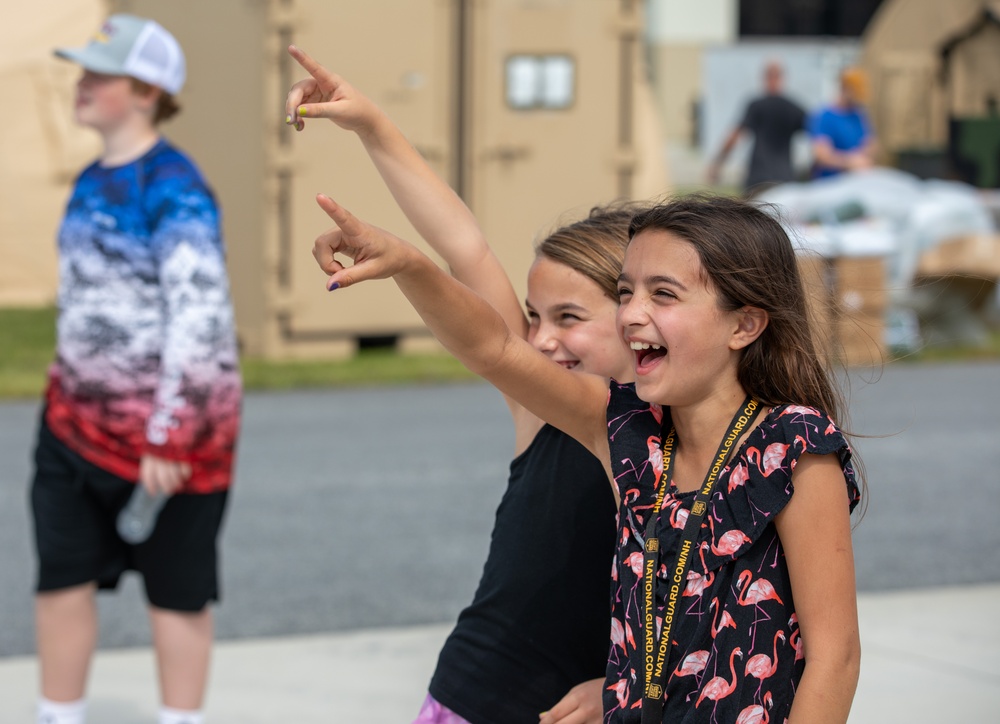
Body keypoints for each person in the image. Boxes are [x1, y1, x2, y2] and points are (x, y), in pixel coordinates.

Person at [303, 188, 863, 722]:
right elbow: (493, 347)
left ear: (745, 323)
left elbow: (834, 659)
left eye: (662, 294)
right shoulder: (625, 431)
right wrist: (409, 265)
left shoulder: (793, 446)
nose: (632, 314)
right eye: (625, 292)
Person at [285, 46, 637, 723]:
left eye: (570, 318)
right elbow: (466, 245)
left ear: (641, 317)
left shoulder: (680, 436)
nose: (541, 339)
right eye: (535, 318)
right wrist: (372, 126)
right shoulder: (544, 410)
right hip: (473, 699)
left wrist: (623, 688)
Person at [30, 14, 242, 724]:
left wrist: (171, 432)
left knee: (176, 594)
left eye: (99, 75)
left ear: (147, 91)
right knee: (60, 579)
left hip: (168, 444)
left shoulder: (176, 190)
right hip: (71, 428)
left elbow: (201, 320)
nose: (81, 85)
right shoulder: (91, 181)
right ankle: (59, 714)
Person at [707, 61, 807, 195]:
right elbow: (817, 135)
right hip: (784, 180)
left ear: (765, 78)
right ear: (782, 78)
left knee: (750, 216)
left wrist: (718, 163)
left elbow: (735, 136)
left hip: (758, 179)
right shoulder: (793, 108)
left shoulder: (756, 105)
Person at [809, 67, 877, 178]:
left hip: (856, 182)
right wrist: (849, 162)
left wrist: (866, 155)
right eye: (856, 94)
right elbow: (822, 155)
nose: (858, 100)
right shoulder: (824, 117)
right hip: (831, 185)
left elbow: (870, 143)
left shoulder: (859, 115)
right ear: (845, 88)